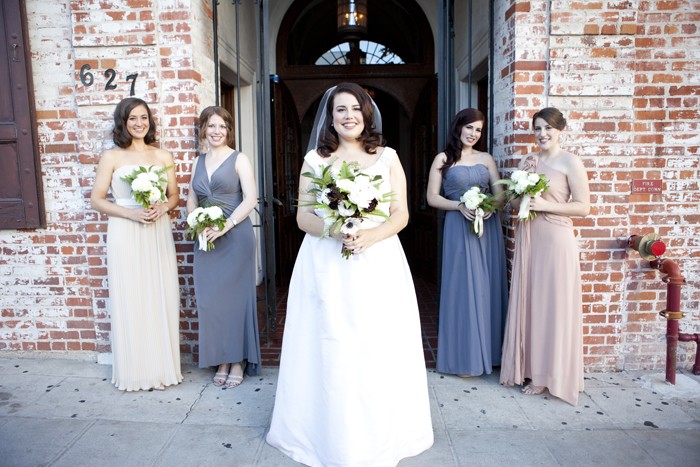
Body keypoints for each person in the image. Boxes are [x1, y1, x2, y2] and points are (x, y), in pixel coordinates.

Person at [266, 83, 433, 466]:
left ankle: (381, 432)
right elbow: (304, 215)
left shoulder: (388, 157)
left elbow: (401, 215)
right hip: (326, 263)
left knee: (376, 342)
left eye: (355, 108)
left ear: (367, 113)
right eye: (340, 109)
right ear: (330, 116)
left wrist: (370, 235)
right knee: (331, 342)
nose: (348, 116)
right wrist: (336, 230)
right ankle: (327, 433)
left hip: (379, 262)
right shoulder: (315, 159)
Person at [499, 107, 590, 405]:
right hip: (530, 238)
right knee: (532, 303)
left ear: (560, 129)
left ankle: (548, 376)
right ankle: (530, 369)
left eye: (548, 128)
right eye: (537, 128)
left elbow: (582, 207)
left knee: (553, 306)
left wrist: (543, 204)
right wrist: (520, 194)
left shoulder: (570, 162)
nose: (542, 134)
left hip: (556, 240)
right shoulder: (529, 160)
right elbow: (514, 204)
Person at [91, 97, 182, 391]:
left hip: (157, 230)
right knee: (131, 296)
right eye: (132, 119)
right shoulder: (112, 157)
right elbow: (97, 199)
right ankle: (135, 371)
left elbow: (174, 196)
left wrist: (163, 208)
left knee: (159, 294)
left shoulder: (163, 155)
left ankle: (160, 369)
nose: (139, 123)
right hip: (125, 230)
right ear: (123, 123)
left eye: (143, 117)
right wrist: (131, 212)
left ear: (150, 121)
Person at [427, 108, 508, 377]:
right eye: (469, 127)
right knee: (462, 289)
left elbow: (499, 195)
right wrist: (459, 205)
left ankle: (491, 352)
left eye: (478, 130)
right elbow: (432, 198)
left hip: (487, 228)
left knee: (487, 287)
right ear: (458, 127)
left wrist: (489, 207)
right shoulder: (443, 159)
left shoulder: (486, 159)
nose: (473, 134)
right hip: (457, 228)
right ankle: (465, 357)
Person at [186, 106, 261, 388]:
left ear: (229, 130)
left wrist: (225, 226)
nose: (216, 131)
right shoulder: (198, 162)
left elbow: (251, 198)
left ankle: (237, 361)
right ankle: (222, 358)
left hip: (235, 237)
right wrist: (196, 222)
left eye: (222, 126)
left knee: (236, 301)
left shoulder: (239, 159)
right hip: (205, 238)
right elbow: (191, 198)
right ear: (204, 129)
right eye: (211, 126)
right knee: (212, 302)